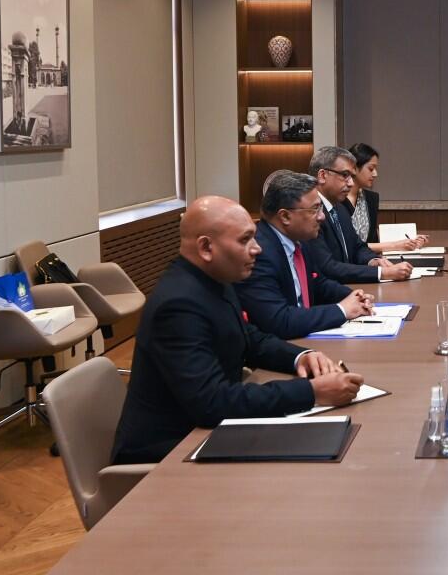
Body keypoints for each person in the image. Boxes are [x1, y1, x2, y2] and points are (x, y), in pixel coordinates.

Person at [112, 196, 364, 465]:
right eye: (245, 240)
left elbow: (249, 339)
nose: (257, 249)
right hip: (168, 454)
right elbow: (212, 403)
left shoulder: (213, 278)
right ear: (206, 247)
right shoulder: (178, 305)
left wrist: (300, 357)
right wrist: (311, 392)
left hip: (205, 433)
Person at [235, 171, 374, 339]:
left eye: (320, 208)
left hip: (306, 337)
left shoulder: (300, 241)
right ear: (285, 216)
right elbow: (279, 321)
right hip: (283, 344)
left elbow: (317, 283)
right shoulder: (259, 254)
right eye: (315, 209)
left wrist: (353, 296)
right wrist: (342, 310)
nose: (322, 216)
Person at [306, 146, 412, 283]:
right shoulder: (309, 213)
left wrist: (373, 261)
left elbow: (357, 247)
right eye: (345, 175)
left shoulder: (339, 208)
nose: (351, 183)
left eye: (351, 176)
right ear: (322, 175)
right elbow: (327, 267)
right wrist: (381, 273)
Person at [340, 142, 430, 254]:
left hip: (369, 260)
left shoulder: (371, 199)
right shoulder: (337, 200)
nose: (375, 174)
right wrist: (396, 245)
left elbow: (373, 239)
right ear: (354, 168)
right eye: (371, 169)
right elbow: (349, 245)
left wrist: (410, 241)